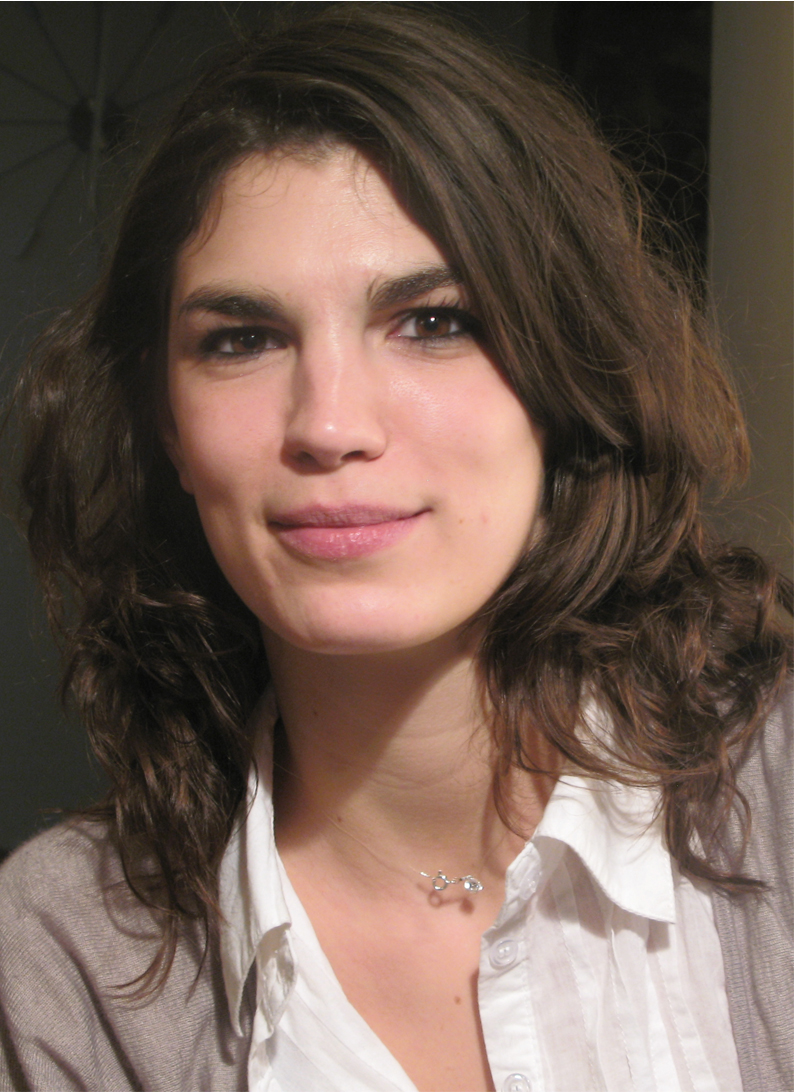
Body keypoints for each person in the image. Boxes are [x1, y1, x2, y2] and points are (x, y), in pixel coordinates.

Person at [0, 5, 791, 1091]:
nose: (329, 425)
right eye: (242, 339)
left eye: (432, 322)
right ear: (168, 429)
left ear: (564, 377)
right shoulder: (62, 959)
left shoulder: (776, 793)